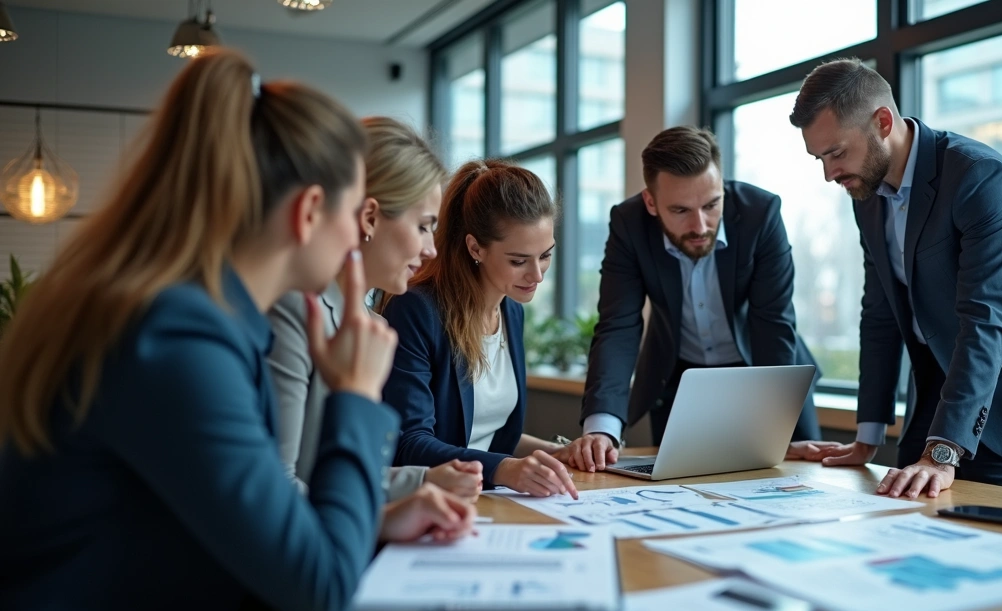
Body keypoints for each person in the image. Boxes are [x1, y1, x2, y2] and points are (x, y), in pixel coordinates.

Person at [0, 50, 474, 611]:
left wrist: (374, 520)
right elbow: (318, 589)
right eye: (355, 211)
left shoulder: (196, 316)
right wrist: (357, 395)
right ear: (307, 214)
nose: (360, 230)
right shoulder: (177, 338)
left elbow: (272, 517)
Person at [784, 58, 1002, 499]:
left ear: (882, 121)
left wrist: (943, 453)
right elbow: (880, 314)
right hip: (934, 389)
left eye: (836, 152)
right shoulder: (866, 194)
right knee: (902, 517)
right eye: (820, 158)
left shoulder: (979, 177)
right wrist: (867, 435)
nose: (829, 172)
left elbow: (985, 320)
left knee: (984, 543)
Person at [561, 126, 821, 472]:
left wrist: (778, 423)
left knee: (793, 490)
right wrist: (601, 430)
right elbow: (618, 326)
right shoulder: (629, 224)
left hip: (764, 375)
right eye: (681, 210)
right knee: (676, 493)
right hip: (680, 381)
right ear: (651, 202)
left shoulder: (762, 213)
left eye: (712, 205)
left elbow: (772, 323)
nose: (700, 225)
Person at [268, 117, 482, 501]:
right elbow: (277, 487)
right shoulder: (294, 311)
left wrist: (424, 481)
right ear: (369, 218)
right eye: (422, 226)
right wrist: (387, 518)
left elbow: (346, 472)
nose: (431, 249)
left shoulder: (374, 324)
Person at [383, 159, 579, 498]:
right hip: (430, 502)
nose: (537, 275)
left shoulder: (511, 310)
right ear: (475, 248)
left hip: (485, 499)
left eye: (545, 255)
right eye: (519, 261)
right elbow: (409, 444)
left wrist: (557, 453)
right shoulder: (417, 310)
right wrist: (504, 469)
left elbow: (492, 433)